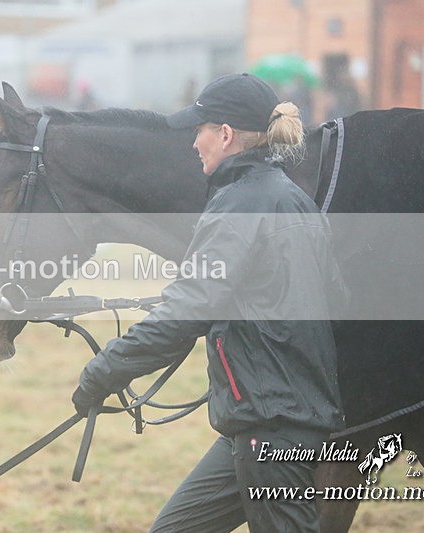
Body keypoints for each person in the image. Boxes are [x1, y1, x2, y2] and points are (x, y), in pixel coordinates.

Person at [71, 73, 345, 532]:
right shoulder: (292, 199)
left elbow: (187, 310)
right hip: (268, 419)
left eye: (199, 130)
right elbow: (334, 297)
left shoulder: (238, 206)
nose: (194, 143)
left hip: (271, 425)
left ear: (225, 134)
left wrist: (102, 371)